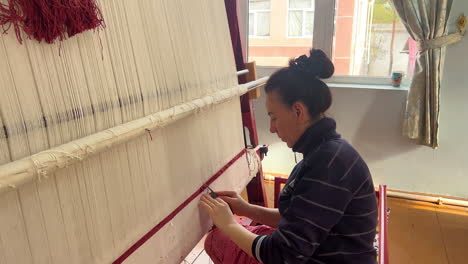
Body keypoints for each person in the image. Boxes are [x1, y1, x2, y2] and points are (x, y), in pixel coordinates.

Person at [199, 49, 378, 264]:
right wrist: (247, 209)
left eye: (274, 117)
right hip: (324, 251)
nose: (272, 128)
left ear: (298, 111)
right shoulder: (325, 153)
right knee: (238, 233)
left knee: (218, 239)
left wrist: (229, 225)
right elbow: (297, 219)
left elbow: (281, 256)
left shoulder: (328, 165)